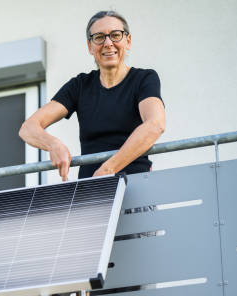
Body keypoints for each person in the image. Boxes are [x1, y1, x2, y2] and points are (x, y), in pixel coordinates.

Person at [19, 10, 166, 180]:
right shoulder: (80, 85)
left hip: (136, 186)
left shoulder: (143, 79)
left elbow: (155, 125)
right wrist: (53, 145)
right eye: (99, 37)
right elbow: (28, 128)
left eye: (115, 35)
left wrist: (108, 169)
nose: (108, 43)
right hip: (92, 192)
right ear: (90, 46)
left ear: (128, 41)